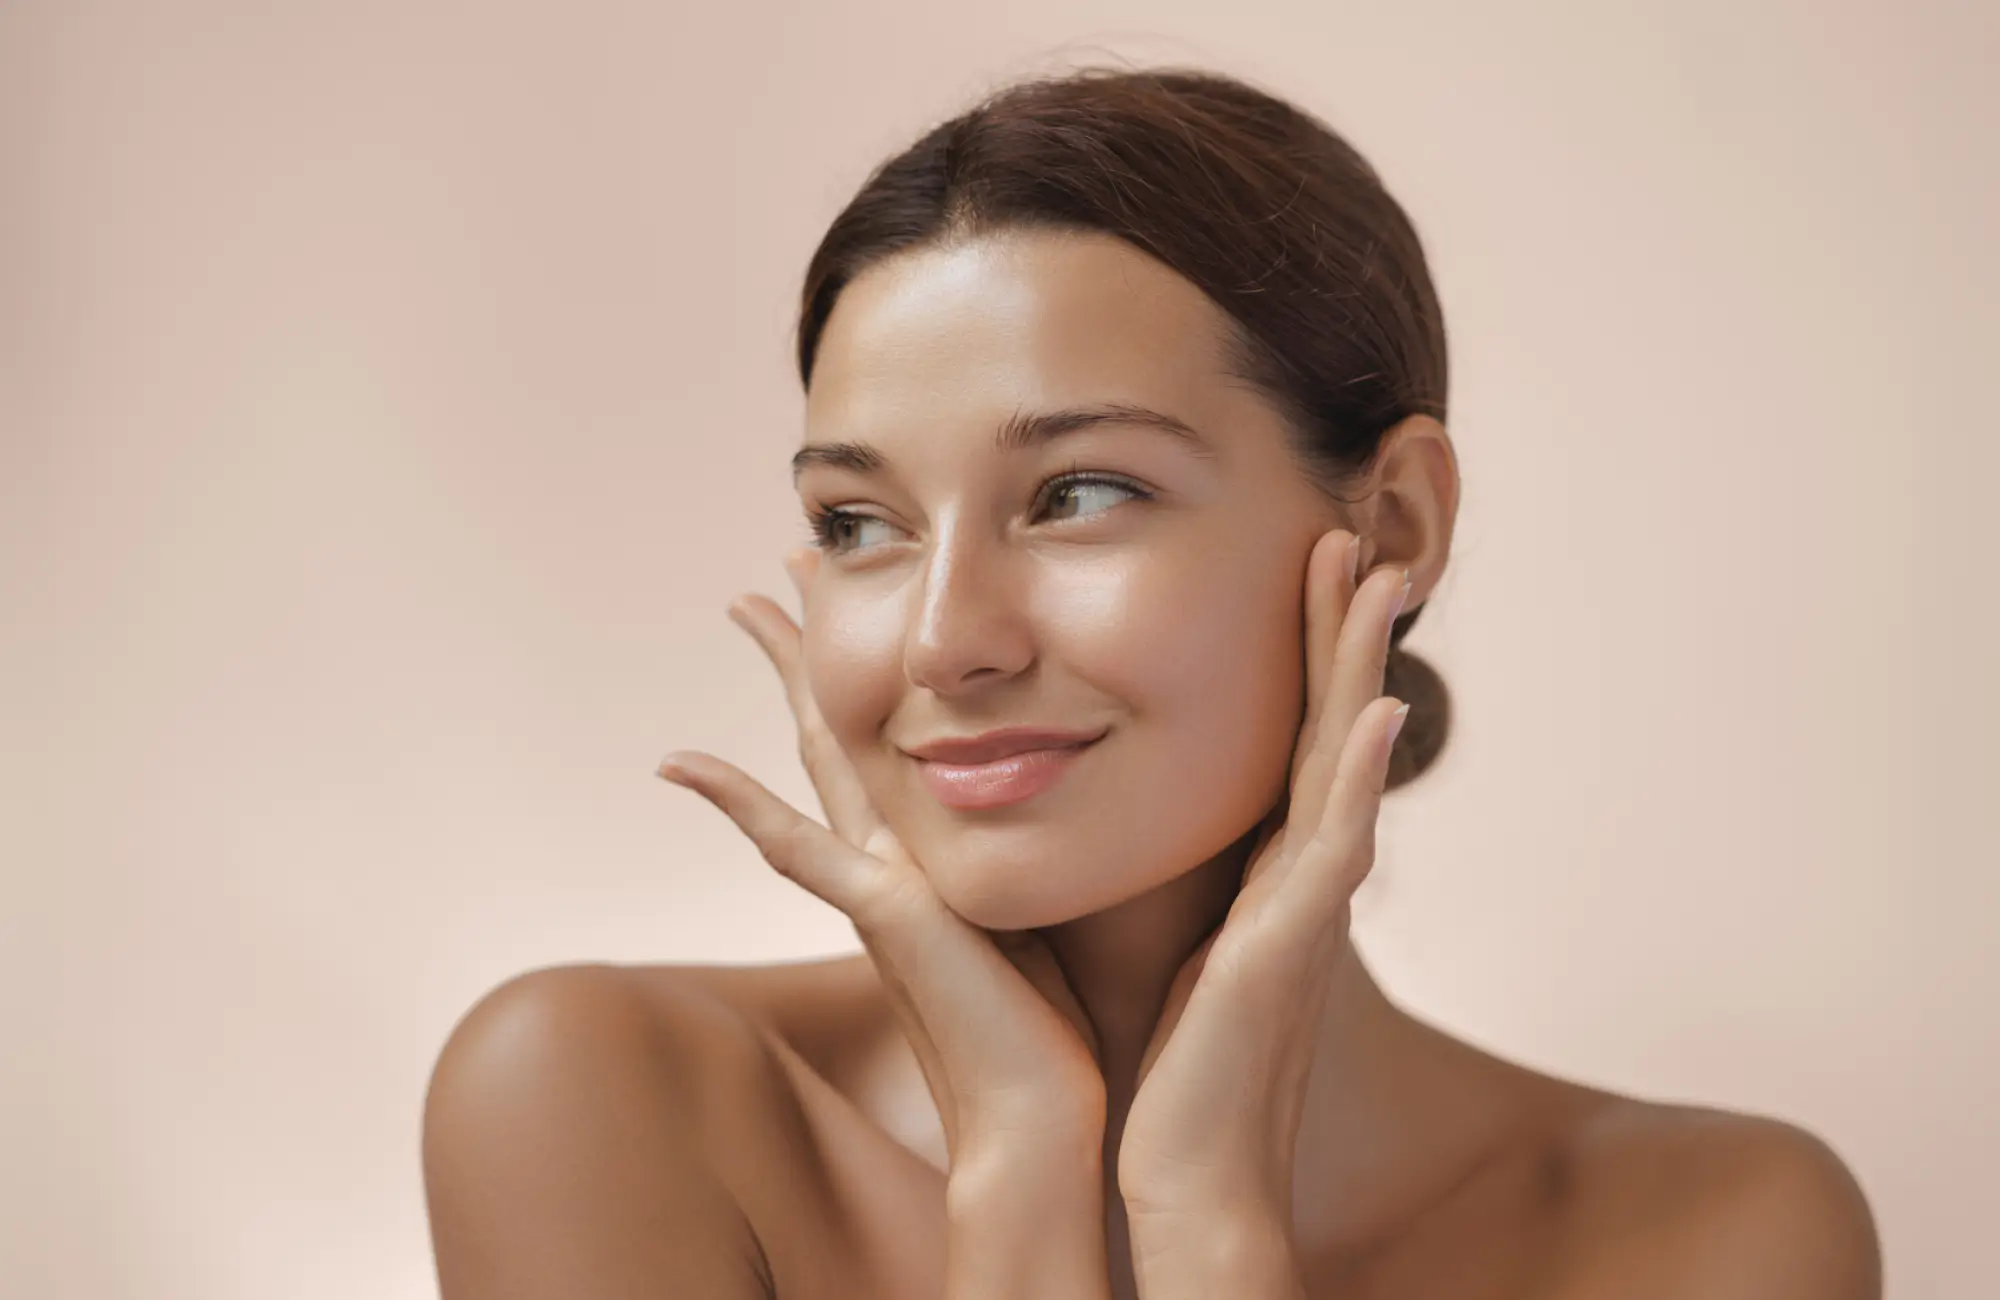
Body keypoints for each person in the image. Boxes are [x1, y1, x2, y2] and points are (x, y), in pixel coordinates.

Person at [420, 66, 1880, 1300]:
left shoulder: (1707, 1236)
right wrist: (1018, 1171)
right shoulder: (604, 1102)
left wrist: (1207, 1220)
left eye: (1079, 494)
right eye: (859, 524)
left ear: (1392, 527)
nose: (943, 641)